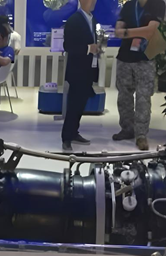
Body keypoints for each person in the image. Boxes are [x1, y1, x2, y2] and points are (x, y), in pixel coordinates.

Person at [113, 0, 166, 151]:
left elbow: (150, 31)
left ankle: (141, 135)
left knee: (143, 98)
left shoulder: (158, 4)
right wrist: (134, 32)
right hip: (124, 57)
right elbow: (118, 30)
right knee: (124, 96)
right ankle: (127, 129)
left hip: (145, 59)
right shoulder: (129, 5)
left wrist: (127, 32)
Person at [61, 0, 99, 151]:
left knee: (80, 105)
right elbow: (68, 46)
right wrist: (88, 48)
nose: (94, 1)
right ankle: (66, 138)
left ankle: (73, 132)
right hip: (77, 70)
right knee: (73, 105)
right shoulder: (74, 20)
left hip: (88, 69)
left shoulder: (92, 19)